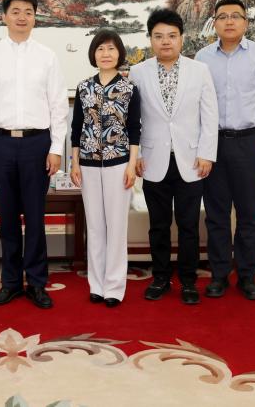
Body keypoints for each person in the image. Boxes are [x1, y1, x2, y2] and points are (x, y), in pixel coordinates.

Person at [0, 0, 69, 309]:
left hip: (37, 144)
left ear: (35, 17)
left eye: (28, 11)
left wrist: (56, 148)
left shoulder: (47, 56)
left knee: (36, 216)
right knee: (8, 216)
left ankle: (37, 283)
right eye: (15, 11)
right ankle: (11, 282)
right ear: (4, 16)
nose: (22, 17)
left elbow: (58, 106)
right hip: (0, 143)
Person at [128, 7, 218, 305]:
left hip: (190, 160)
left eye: (171, 35)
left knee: (189, 225)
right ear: (150, 39)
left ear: (181, 38)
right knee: (158, 225)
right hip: (153, 160)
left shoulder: (199, 70)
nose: (165, 41)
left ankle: (189, 281)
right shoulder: (138, 72)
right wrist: (136, 155)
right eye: (159, 36)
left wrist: (207, 154)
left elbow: (210, 115)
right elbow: (133, 120)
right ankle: (160, 278)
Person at [195, 0, 255, 301]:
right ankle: (219, 274)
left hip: (250, 142)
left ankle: (247, 275)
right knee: (216, 213)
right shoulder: (202, 57)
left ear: (245, 22)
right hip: (214, 143)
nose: (229, 21)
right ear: (214, 23)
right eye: (223, 16)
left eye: (236, 16)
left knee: (247, 213)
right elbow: (197, 105)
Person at [70, 29, 141, 308]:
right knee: (95, 226)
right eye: (100, 49)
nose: (106, 54)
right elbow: (76, 128)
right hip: (87, 164)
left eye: (111, 48)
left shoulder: (129, 88)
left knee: (116, 226)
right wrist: (74, 162)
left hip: (119, 163)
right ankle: (96, 284)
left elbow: (134, 130)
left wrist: (132, 165)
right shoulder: (83, 87)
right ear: (94, 54)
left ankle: (114, 287)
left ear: (119, 53)